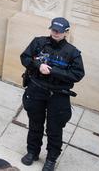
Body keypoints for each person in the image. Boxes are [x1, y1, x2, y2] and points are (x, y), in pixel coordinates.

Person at [19, 17, 84, 171]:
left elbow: (77, 74)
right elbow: (25, 57)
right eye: (54, 30)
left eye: (59, 31)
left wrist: (54, 71)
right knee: (35, 123)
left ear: (66, 33)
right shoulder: (38, 43)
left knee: (54, 129)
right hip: (37, 89)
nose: (55, 33)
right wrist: (38, 65)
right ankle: (32, 152)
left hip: (58, 95)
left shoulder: (72, 52)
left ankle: (51, 159)